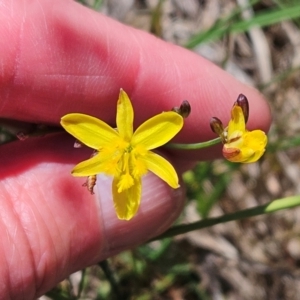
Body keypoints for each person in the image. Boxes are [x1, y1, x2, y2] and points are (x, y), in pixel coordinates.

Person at [0, 0, 271, 299]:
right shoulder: (111, 133)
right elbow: (93, 143)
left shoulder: (159, 131)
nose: (126, 166)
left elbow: (167, 160)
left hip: (134, 140)